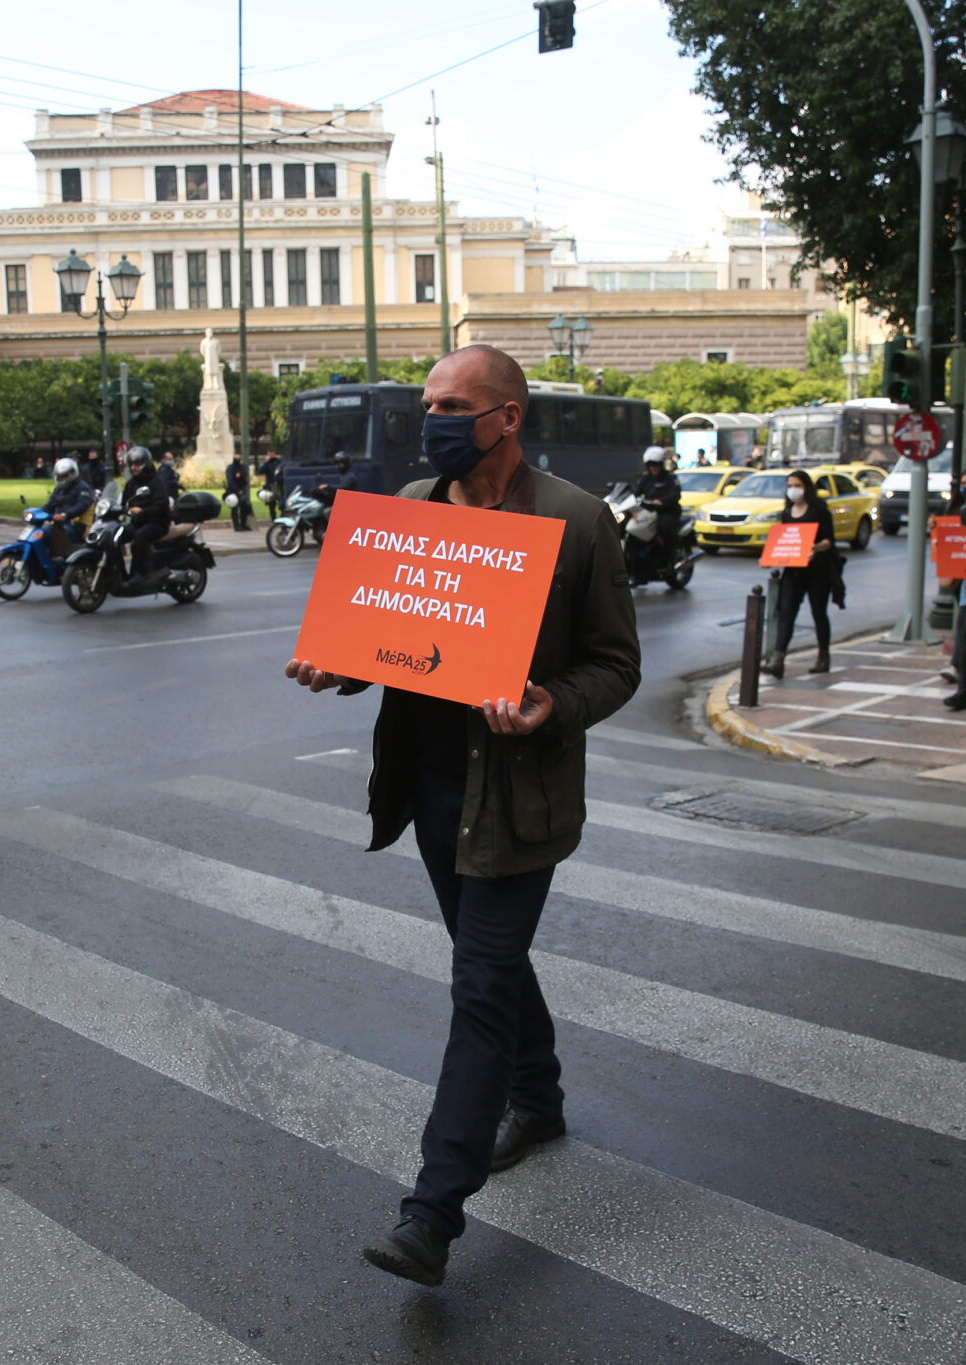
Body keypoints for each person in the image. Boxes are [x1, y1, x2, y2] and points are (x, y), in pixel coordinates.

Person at [285, 344, 641, 1288]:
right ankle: (541, 1096)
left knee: (478, 985)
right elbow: (392, 644)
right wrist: (338, 664)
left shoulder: (575, 521)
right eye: (430, 403)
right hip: (430, 788)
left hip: (519, 797)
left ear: (508, 417)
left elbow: (616, 664)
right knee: (491, 964)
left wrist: (549, 704)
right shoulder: (407, 508)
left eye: (454, 404)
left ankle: (431, 1212)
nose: (433, 418)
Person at [765, 468, 835, 676]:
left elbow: (829, 541)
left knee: (819, 613)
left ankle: (823, 657)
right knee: (786, 613)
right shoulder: (787, 513)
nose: (793, 490)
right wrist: (771, 556)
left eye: (797, 486)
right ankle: (778, 660)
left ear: (806, 488)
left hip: (817, 571)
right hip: (793, 571)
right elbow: (785, 540)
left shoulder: (818, 510)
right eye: (790, 486)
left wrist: (815, 548)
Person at [939, 473, 966, 709]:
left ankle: (963, 687)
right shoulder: (959, 509)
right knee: (962, 634)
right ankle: (962, 685)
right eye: (964, 484)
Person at [121, 444, 172, 575]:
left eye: (137, 464)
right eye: (132, 464)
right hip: (138, 523)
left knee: (140, 537)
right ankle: (115, 572)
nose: (134, 468)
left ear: (146, 464)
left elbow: (161, 504)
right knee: (116, 534)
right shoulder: (131, 483)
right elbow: (124, 501)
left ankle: (138, 573)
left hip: (157, 523)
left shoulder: (156, 482)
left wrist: (143, 511)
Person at [632, 447, 682, 568]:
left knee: (664, 527)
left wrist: (662, 501)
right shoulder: (646, 479)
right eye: (651, 465)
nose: (653, 467)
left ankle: (670, 559)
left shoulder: (670, 478)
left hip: (668, 511)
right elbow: (636, 494)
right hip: (649, 512)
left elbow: (675, 494)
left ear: (661, 464)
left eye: (656, 465)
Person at [39, 457, 95, 552]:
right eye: (59, 476)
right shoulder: (59, 489)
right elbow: (50, 504)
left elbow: (81, 506)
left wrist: (65, 515)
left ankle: (62, 561)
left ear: (72, 474)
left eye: (63, 476)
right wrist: (38, 513)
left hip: (77, 527)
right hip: (60, 525)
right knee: (39, 533)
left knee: (50, 533)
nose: (60, 479)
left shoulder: (83, 488)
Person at [223, 449, 252, 532]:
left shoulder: (242, 467)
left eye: (239, 455)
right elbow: (230, 481)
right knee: (234, 508)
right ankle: (236, 525)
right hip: (233, 491)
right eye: (236, 455)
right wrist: (237, 489)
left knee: (244, 507)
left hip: (241, 490)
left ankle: (243, 524)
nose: (238, 456)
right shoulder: (231, 468)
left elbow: (245, 478)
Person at [258, 449, 282, 521]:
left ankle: (282, 518)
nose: (270, 456)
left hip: (279, 486)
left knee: (282, 503)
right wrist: (266, 462)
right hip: (270, 486)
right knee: (271, 505)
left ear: (274, 454)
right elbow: (260, 471)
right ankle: (273, 519)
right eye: (268, 455)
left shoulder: (279, 462)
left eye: (271, 454)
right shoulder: (267, 464)